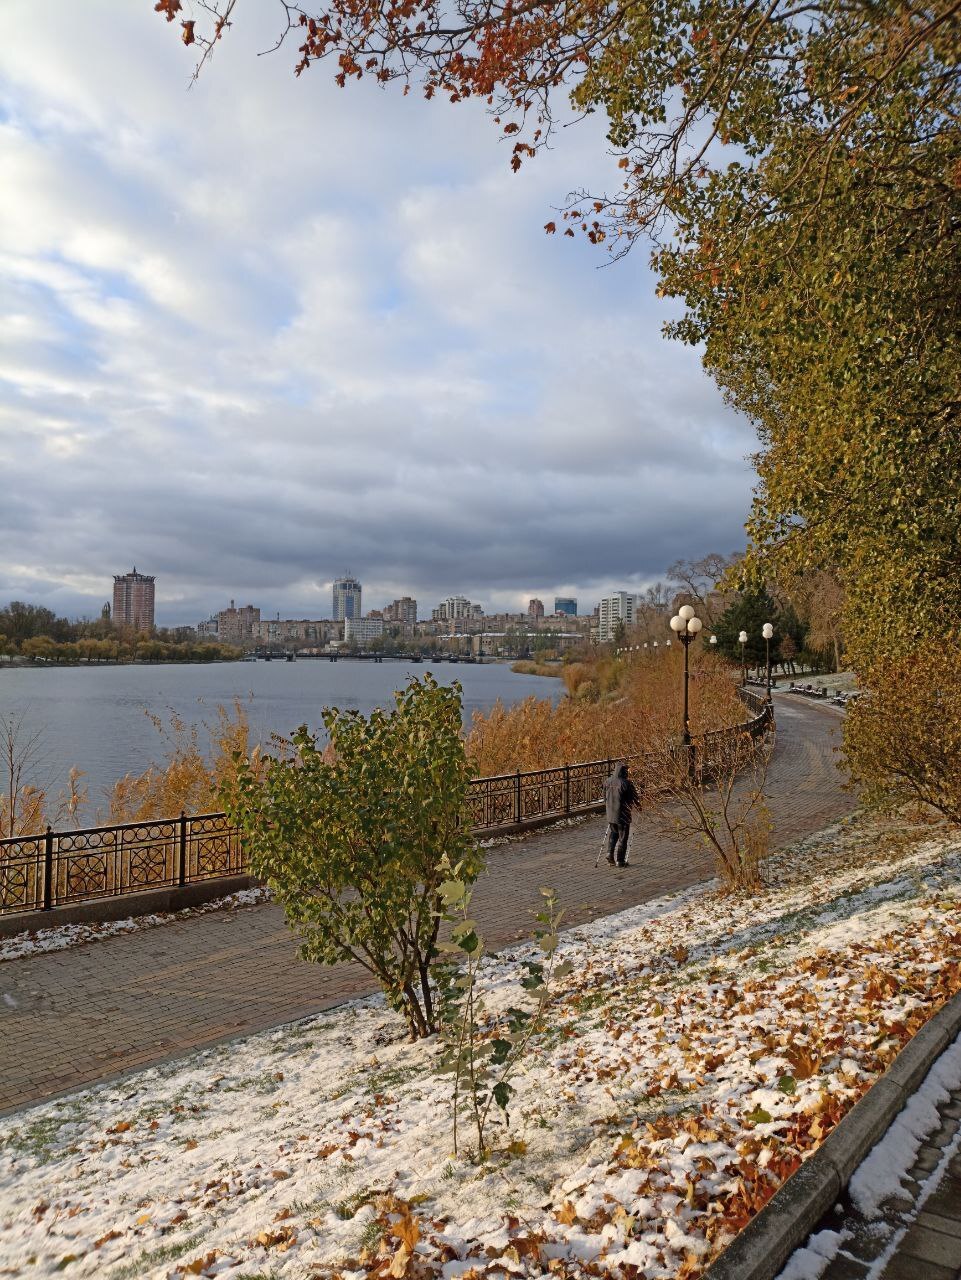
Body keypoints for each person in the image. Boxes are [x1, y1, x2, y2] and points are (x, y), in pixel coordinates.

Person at [603, 761, 639, 867]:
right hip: (623, 814)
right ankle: (620, 860)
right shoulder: (626, 783)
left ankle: (609, 854)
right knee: (623, 837)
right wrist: (638, 806)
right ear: (623, 771)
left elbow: (604, 797)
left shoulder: (607, 781)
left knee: (613, 834)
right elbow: (633, 798)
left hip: (611, 814)